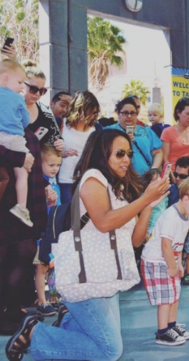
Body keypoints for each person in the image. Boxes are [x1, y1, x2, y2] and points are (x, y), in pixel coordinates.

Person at [5, 129, 170, 361]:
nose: (127, 159)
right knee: (109, 351)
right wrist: (144, 198)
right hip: (86, 277)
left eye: (129, 154)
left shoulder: (118, 188)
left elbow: (135, 240)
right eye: (120, 153)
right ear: (103, 154)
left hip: (106, 276)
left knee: (100, 343)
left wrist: (149, 206)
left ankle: (64, 325)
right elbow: (103, 222)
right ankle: (37, 335)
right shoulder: (93, 178)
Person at [139, 177, 189, 346]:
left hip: (169, 261)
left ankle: (171, 325)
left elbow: (178, 245)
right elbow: (165, 244)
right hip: (156, 261)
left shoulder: (185, 217)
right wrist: (172, 266)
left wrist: (178, 264)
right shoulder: (171, 216)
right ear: (186, 199)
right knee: (166, 298)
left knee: (174, 295)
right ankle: (162, 332)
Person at [0, 130, 41, 336]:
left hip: (22, 203)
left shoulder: (17, 114)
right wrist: (18, 157)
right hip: (4, 201)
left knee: (25, 251)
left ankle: (13, 307)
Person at [0, 59, 33, 226]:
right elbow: (26, 121)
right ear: (5, 79)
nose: (22, 87)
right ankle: (22, 206)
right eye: (20, 82)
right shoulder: (17, 99)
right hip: (14, 138)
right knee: (22, 172)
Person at [33, 144, 62, 318]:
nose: (55, 169)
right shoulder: (41, 185)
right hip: (42, 233)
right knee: (41, 267)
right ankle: (41, 301)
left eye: (58, 165)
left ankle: (53, 298)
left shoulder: (54, 182)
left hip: (53, 231)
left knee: (53, 266)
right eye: (51, 165)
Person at [57, 91, 100, 204]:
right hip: (65, 180)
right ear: (78, 109)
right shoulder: (61, 123)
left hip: (87, 180)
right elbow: (46, 151)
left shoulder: (96, 128)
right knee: (67, 216)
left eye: (95, 112)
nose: (92, 116)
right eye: (89, 112)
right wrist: (60, 153)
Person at [106, 97, 163, 176]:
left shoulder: (146, 131)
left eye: (132, 113)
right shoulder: (109, 131)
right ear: (118, 114)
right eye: (125, 113)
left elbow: (158, 152)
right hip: (119, 178)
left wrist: (154, 169)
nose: (129, 116)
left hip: (145, 178)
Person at [22, 61, 64, 152]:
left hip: (39, 164)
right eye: (33, 89)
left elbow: (56, 137)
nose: (38, 94)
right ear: (21, 84)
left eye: (42, 91)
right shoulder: (9, 108)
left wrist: (60, 143)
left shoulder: (45, 111)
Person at [161, 97, 189, 173]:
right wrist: (172, 176)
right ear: (178, 113)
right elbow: (165, 158)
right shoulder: (167, 132)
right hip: (175, 173)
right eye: (187, 114)